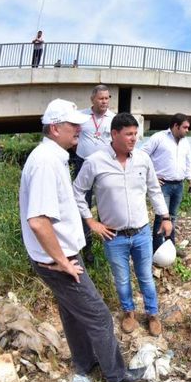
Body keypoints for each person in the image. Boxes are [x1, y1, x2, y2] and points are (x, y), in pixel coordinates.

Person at [19, 98, 146, 382]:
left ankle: (83, 362)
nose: (79, 128)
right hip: (57, 261)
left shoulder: (53, 157)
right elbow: (38, 221)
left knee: (73, 313)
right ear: (54, 128)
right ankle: (115, 373)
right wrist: (63, 262)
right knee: (100, 317)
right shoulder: (45, 162)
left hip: (57, 258)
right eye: (72, 124)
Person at [73, 113, 172, 337]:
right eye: (129, 134)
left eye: (136, 134)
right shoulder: (95, 162)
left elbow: (155, 190)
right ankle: (129, 313)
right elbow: (77, 191)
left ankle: (153, 314)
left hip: (141, 232)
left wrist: (165, 217)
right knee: (122, 278)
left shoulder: (143, 160)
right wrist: (90, 221)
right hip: (113, 236)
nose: (134, 138)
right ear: (114, 133)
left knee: (145, 275)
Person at [141, 113, 191, 252]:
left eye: (188, 127)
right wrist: (152, 176)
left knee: (173, 217)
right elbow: (142, 155)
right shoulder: (159, 138)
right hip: (163, 185)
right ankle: (156, 250)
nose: (187, 130)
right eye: (185, 127)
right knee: (161, 217)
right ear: (175, 126)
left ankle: (170, 248)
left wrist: (190, 181)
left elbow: (187, 162)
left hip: (179, 185)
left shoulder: (185, 142)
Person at [71, 84, 115, 264]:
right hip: (83, 164)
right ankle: (86, 248)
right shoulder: (80, 116)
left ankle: (108, 246)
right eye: (101, 98)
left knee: (106, 206)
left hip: (104, 167)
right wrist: (79, 149)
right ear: (92, 99)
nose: (104, 101)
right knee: (82, 204)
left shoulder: (113, 118)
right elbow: (72, 136)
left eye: (107, 98)